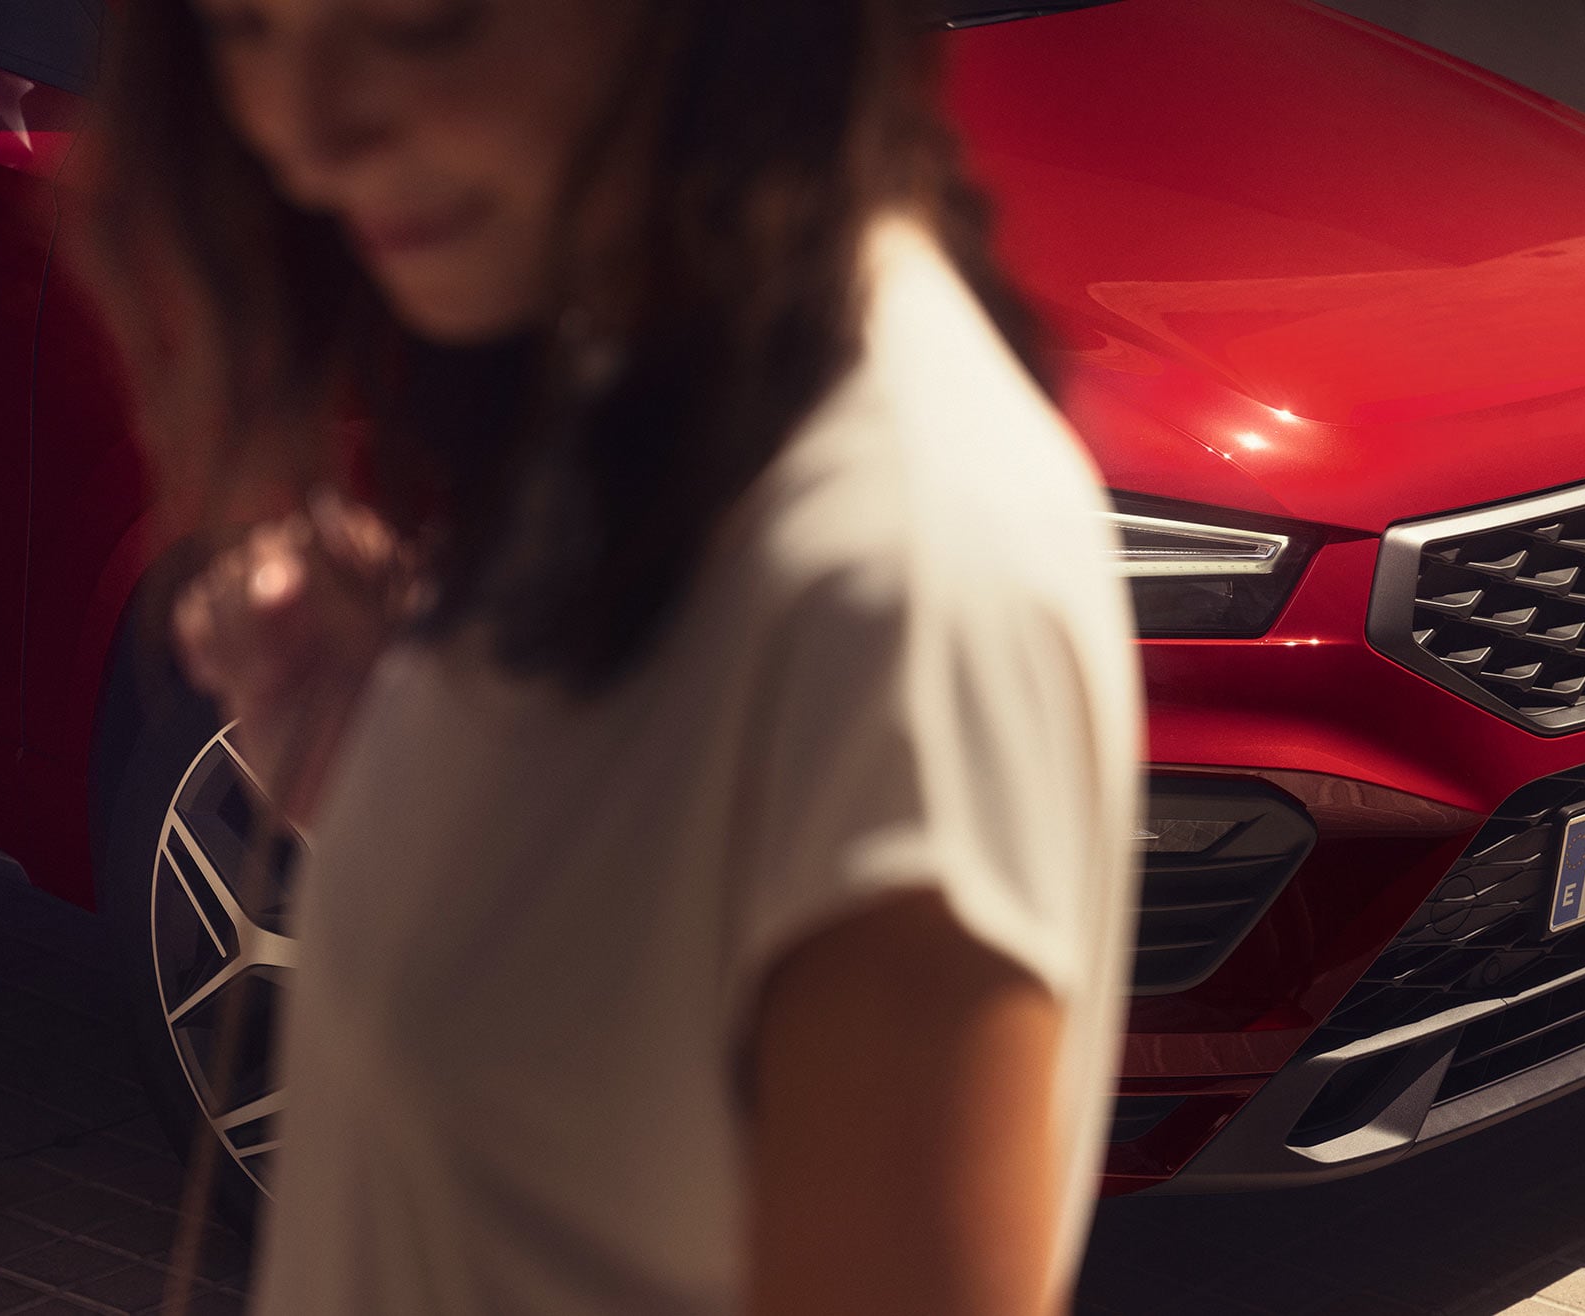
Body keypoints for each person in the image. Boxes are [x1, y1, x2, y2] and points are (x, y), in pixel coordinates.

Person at [70, 1, 1144, 1313]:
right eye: (241, 25)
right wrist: (417, 773)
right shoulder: (626, 361)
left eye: (416, 22)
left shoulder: (902, 591)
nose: (304, 129)